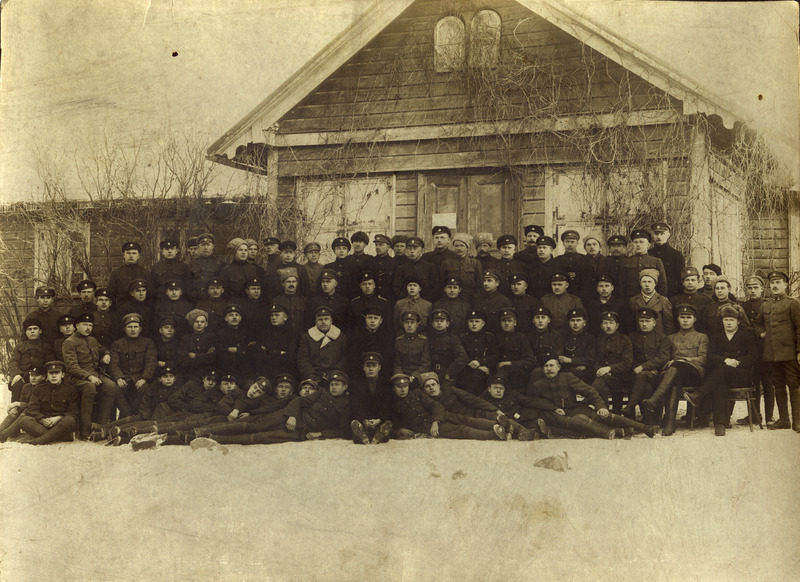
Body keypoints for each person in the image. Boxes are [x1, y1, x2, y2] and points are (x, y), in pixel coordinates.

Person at [520, 358, 655, 439]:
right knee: (579, 422)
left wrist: (601, 407)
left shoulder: (567, 377)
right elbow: (532, 401)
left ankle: (645, 428)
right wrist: (553, 408)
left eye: (551, 365)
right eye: (545, 366)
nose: (549, 369)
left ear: (559, 367)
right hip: (557, 416)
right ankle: (618, 432)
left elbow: (590, 391)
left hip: (574, 409)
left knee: (601, 415)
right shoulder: (538, 384)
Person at [684, 304, 758, 436]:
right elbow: (711, 355)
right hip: (722, 375)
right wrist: (725, 360)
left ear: (738, 321)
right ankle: (720, 424)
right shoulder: (717, 336)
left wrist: (736, 362)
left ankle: (700, 395)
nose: (728, 323)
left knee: (720, 373)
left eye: (732, 320)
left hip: (741, 374)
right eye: (726, 319)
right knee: (719, 382)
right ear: (722, 321)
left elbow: (753, 356)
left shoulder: (746, 335)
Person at [642, 304, 708, 436]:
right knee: (675, 379)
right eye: (682, 317)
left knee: (676, 367)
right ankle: (670, 423)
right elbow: (665, 358)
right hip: (674, 375)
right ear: (677, 319)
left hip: (694, 373)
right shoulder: (671, 338)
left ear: (694, 319)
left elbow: (703, 360)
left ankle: (655, 401)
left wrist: (683, 360)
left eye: (688, 317)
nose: (685, 320)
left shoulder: (702, 337)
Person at [388, 373, 506, 441]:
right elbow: (392, 423)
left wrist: (435, 421)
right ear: (393, 389)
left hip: (439, 417)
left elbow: (436, 406)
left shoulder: (417, 394)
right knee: (460, 430)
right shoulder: (393, 405)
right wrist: (399, 430)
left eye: (405, 386)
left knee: (468, 420)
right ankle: (493, 435)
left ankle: (495, 425)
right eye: (399, 387)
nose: (403, 389)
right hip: (427, 427)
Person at [62, 313, 126, 436]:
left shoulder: (93, 340)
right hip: (76, 377)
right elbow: (71, 366)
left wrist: (107, 354)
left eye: (90, 325)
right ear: (77, 326)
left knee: (111, 386)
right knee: (89, 387)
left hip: (95, 374)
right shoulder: (69, 342)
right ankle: (85, 430)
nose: (88, 328)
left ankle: (101, 426)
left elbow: (103, 349)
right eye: (84, 325)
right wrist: (89, 377)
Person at [753, 271, 800, 431]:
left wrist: (799, 351)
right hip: (771, 354)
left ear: (786, 285)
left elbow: (799, 327)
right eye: (772, 283)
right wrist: (761, 333)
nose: (774, 285)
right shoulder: (765, 305)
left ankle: (797, 421)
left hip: (789, 353)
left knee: (794, 386)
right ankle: (784, 420)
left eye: (778, 282)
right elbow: (757, 324)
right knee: (778, 385)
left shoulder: (793, 304)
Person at [0, 361, 80, 445]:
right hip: (43, 424)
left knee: (70, 420)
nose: (54, 375)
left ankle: (39, 440)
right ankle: (63, 437)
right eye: (51, 373)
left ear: (62, 375)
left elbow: (73, 412)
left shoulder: (71, 390)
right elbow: (32, 409)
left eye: (57, 373)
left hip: (60, 424)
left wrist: (58, 418)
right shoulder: (38, 389)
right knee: (24, 420)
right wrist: (42, 419)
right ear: (47, 375)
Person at [622, 308, 670, 422]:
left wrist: (644, 367)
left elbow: (663, 357)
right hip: (635, 375)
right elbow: (629, 356)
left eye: (648, 321)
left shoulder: (662, 337)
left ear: (654, 322)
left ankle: (630, 407)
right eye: (641, 320)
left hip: (656, 375)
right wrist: (638, 369)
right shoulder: (632, 337)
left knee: (643, 376)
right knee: (646, 386)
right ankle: (649, 421)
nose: (644, 324)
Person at [739, 274, 773, 424]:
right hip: (749, 350)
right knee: (752, 383)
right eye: (749, 288)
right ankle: (754, 415)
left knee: (767, 383)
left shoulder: (768, 305)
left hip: (765, 349)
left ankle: (769, 416)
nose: (752, 291)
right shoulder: (742, 307)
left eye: (755, 288)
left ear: (762, 289)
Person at [109, 313, 157, 416]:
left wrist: (144, 378)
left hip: (140, 377)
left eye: (135, 327)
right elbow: (114, 363)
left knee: (144, 388)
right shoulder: (117, 344)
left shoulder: (148, 343)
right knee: (116, 389)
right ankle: (128, 416)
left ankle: (130, 416)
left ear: (140, 329)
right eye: (129, 327)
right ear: (125, 329)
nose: (133, 329)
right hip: (124, 377)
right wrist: (118, 378)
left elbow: (151, 362)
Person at [591, 311, 633, 413]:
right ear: (601, 326)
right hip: (603, 376)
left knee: (602, 380)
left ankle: (585, 402)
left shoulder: (625, 340)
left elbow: (627, 363)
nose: (608, 326)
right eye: (605, 323)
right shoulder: (598, 340)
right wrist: (599, 370)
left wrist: (609, 369)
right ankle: (608, 417)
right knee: (603, 388)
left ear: (617, 325)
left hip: (620, 378)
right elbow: (594, 360)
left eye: (611, 323)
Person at [348, 352, 394, 445]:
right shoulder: (356, 384)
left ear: (379, 368)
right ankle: (363, 434)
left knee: (385, 428)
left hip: (378, 420)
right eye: (368, 366)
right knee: (357, 430)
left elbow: (387, 403)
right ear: (363, 368)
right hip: (364, 420)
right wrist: (364, 419)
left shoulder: (386, 384)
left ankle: (377, 434)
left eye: (374, 365)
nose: (371, 368)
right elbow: (356, 404)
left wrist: (379, 420)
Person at [297, 306, 348, 383]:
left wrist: (337, 370)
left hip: (335, 374)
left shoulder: (341, 337)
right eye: (320, 319)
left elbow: (345, 357)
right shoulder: (307, 337)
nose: (323, 322)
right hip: (314, 374)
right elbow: (303, 358)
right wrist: (310, 372)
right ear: (315, 321)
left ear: (331, 321)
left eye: (326, 319)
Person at [8, 318, 53, 402]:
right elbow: (13, 361)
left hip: (39, 375)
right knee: (17, 385)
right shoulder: (20, 346)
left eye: (35, 329)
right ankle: (15, 410)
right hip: (23, 375)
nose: (32, 331)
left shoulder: (46, 346)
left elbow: (50, 362)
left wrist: (47, 375)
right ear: (26, 332)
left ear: (40, 331)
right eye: (29, 329)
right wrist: (17, 374)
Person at [457, 310, 499, 395]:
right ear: (467, 323)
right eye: (471, 321)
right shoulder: (463, 338)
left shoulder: (490, 337)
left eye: (477, 321)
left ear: (483, 323)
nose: (474, 324)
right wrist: (474, 365)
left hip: (486, 371)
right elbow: (460, 357)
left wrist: (480, 362)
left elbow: (496, 356)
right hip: (467, 371)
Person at [495, 308, 535, 391]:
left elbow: (529, 361)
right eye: (503, 321)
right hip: (498, 372)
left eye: (509, 321)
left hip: (518, 374)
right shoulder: (496, 338)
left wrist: (510, 363)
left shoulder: (522, 338)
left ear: (515, 322)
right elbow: (493, 357)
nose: (506, 323)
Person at [620, 229, 667, 299]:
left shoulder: (656, 261)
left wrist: (659, 302)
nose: (638, 244)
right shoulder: (625, 261)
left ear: (648, 244)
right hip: (630, 300)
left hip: (651, 301)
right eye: (636, 242)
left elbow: (662, 285)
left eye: (641, 242)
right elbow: (621, 284)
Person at [427, 308, 468, 386]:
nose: (439, 323)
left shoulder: (453, 339)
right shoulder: (429, 339)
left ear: (447, 324)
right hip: (431, 373)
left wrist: (450, 373)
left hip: (447, 374)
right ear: (433, 324)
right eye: (436, 321)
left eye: (442, 321)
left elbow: (462, 357)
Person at [0, 365, 45, 435]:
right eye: (31, 375)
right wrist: (15, 408)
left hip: (37, 415)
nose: (33, 378)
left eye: (36, 375)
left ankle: (4, 435)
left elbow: (36, 406)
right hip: (25, 412)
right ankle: (1, 430)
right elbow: (22, 402)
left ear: (43, 377)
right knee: (15, 411)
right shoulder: (26, 387)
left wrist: (19, 404)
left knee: (25, 411)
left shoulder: (44, 388)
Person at [393, 236, 440, 303]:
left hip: (425, 303)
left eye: (415, 248)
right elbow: (396, 288)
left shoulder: (430, 267)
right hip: (406, 303)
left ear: (422, 250)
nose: (412, 251)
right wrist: (406, 300)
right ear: (407, 250)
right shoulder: (402, 268)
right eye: (410, 248)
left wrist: (423, 302)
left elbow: (435, 288)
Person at [552, 230, 594, 304]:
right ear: (563, 243)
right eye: (567, 241)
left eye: (572, 242)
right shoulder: (557, 260)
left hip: (582, 297)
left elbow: (588, 281)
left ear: (577, 243)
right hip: (562, 298)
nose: (570, 244)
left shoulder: (585, 259)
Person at [629, 269, 674, 335]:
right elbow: (631, 324)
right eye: (644, 282)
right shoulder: (633, 301)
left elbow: (668, 325)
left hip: (658, 340)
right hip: (640, 340)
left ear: (655, 283)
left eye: (650, 282)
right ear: (640, 283)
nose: (647, 284)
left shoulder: (663, 301)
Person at [439, 232, 482, 303]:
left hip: (470, 299)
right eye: (456, 246)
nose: (459, 248)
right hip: (451, 299)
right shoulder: (446, 263)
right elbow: (442, 283)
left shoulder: (475, 263)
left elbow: (479, 284)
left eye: (462, 245)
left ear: (467, 248)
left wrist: (476, 298)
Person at [107, 241, 151, 307]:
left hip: (140, 308)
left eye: (134, 253)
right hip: (121, 309)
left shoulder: (145, 273)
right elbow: (111, 295)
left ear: (138, 256)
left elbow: (150, 295)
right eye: (128, 253)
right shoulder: (116, 273)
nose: (131, 256)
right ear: (124, 255)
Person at [670, 267, 712, 333]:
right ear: (683, 282)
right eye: (687, 280)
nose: (690, 282)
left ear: (698, 281)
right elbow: (672, 321)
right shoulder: (674, 300)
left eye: (693, 280)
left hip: (700, 335)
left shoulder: (706, 300)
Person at [648, 222, 685, 298]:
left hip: (670, 295)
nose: (659, 236)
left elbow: (680, 279)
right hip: (650, 294)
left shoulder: (676, 255)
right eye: (656, 234)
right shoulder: (649, 253)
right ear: (653, 235)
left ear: (668, 235)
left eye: (662, 234)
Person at [560, 308, 596, 384]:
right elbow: (560, 358)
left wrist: (571, 360)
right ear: (569, 323)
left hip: (585, 372)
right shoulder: (563, 337)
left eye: (578, 320)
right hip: (566, 371)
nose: (575, 323)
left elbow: (590, 359)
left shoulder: (590, 338)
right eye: (572, 320)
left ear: (584, 323)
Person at [471, 269, 512, 335]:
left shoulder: (504, 301)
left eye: (489, 280)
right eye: (484, 280)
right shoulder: (476, 299)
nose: (486, 283)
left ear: (497, 283)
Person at [179, 309, 217, 378]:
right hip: (190, 373)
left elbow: (212, 358)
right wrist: (204, 355)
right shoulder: (186, 338)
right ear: (192, 323)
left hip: (208, 374)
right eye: (196, 321)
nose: (199, 324)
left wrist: (195, 356)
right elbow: (183, 360)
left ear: (206, 324)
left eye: (202, 322)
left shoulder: (211, 337)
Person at [187, 233, 223, 302]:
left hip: (212, 301)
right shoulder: (192, 264)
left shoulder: (219, 264)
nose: (205, 247)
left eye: (208, 244)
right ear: (198, 246)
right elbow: (188, 285)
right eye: (203, 245)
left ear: (212, 246)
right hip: (195, 300)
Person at [393, 311, 430, 378]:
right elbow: (397, 364)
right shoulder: (398, 341)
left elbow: (425, 364)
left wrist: (414, 376)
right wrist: (400, 376)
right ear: (403, 324)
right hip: (402, 376)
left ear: (417, 324)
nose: (409, 325)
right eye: (407, 322)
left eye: (412, 323)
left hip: (419, 376)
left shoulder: (423, 341)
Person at [371, 234, 397, 303]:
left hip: (389, 299)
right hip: (373, 299)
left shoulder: (394, 263)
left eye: (381, 245)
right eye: (376, 245)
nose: (378, 247)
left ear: (388, 247)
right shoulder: (370, 262)